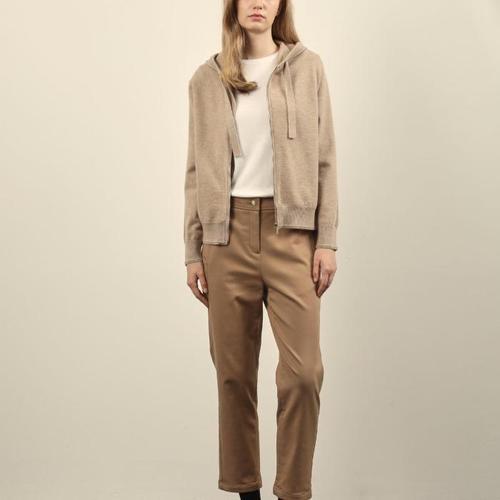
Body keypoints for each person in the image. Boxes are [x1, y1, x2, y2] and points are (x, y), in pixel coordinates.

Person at [183, 1, 338, 499]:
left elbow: (325, 158)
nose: (257, 2)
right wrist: (193, 249)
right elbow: (195, 169)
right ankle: (245, 491)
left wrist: (326, 239)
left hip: (291, 234)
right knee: (233, 377)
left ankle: (292, 491)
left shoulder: (307, 67)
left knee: (303, 374)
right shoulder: (205, 80)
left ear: (280, 5)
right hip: (225, 237)